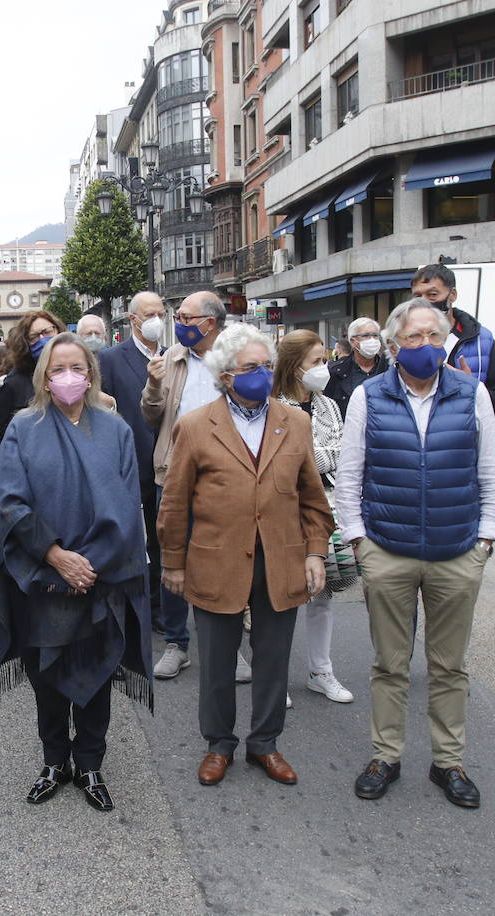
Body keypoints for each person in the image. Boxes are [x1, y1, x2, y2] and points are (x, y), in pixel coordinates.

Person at [336, 298, 495, 808]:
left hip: (457, 551)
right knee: (390, 663)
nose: (425, 346)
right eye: (414, 338)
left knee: (449, 667)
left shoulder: (472, 393)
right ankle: (386, 755)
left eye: (434, 336)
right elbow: (350, 473)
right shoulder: (369, 396)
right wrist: (359, 541)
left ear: (447, 339)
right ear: (394, 345)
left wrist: (486, 539)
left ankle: (448, 762)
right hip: (388, 550)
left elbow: (490, 469)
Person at [0, 332, 154, 811]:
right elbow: (10, 500)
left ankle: (91, 763)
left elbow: (125, 502)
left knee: (97, 675)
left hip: (100, 576)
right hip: (42, 576)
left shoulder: (115, 429)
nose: (68, 377)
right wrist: (56, 556)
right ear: (43, 376)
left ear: (92, 373)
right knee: (47, 676)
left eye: (77, 367)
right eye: (57, 369)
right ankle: (55, 760)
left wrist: (89, 565)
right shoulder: (23, 426)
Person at [159, 324, 331, 787]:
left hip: (281, 560)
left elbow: (312, 497)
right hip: (215, 560)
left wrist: (315, 552)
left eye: (267, 366)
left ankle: (265, 744)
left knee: (273, 660)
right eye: (251, 367)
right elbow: (174, 503)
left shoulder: (295, 422)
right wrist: (172, 562)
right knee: (216, 662)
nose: (262, 374)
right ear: (226, 375)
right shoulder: (195, 426)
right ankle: (219, 744)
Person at [141, 291, 235, 682]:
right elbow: (150, 417)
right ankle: (178, 643)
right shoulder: (171, 359)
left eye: (184, 315)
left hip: (228, 477)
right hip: (175, 473)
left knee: (226, 558)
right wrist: (152, 387)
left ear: (209, 323)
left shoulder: (236, 358)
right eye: (177, 315)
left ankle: (228, 645)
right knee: (173, 557)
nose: (177, 321)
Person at [272, 330, 354, 705]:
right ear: (293, 366)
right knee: (281, 595)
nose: (324, 369)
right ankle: (273, 676)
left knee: (321, 591)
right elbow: (285, 465)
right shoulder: (272, 405)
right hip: (280, 510)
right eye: (316, 362)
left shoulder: (328, 406)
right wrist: (315, 456)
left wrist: (308, 455)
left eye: (324, 360)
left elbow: (337, 455)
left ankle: (321, 671)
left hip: (321, 508)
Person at [100, 291, 167, 626]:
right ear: (133, 319)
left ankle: (157, 608)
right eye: (149, 314)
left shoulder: (174, 357)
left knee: (161, 540)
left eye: (161, 312)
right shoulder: (112, 359)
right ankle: (125, 606)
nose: (156, 319)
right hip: (129, 464)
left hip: (166, 467)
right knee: (125, 539)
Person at [411, 264, 495, 422]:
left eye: (432, 294)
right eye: (417, 296)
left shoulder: (482, 342)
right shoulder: (402, 343)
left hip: (463, 441)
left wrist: (470, 388)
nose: (424, 303)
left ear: (452, 295)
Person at [0, 310, 65, 441]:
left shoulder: (79, 373)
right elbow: (0, 432)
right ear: (25, 344)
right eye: (34, 337)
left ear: (58, 331)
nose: (43, 339)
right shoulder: (13, 384)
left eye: (47, 332)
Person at [324, 317, 388, 419]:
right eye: (366, 335)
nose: (372, 340)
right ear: (353, 341)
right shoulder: (336, 371)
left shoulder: (390, 369)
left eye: (375, 336)